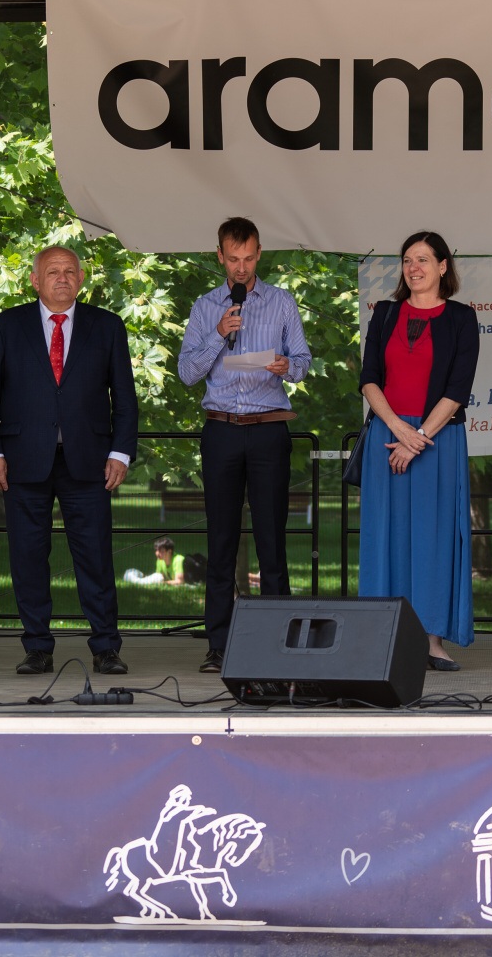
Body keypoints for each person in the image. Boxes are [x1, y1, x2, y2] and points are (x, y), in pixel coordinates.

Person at [0, 246, 138, 676]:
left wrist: (120, 451)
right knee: (28, 557)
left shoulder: (108, 326)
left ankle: (106, 647)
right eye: (52, 272)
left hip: (90, 462)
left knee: (96, 558)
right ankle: (37, 648)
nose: (62, 278)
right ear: (35, 280)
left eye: (69, 271)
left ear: (81, 279)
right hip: (22, 461)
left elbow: (125, 398)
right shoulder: (5, 326)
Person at [178, 217, 311, 674]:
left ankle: (279, 644)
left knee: (272, 539)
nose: (241, 267)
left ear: (259, 254)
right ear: (220, 256)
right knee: (221, 540)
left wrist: (287, 366)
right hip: (221, 430)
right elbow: (187, 373)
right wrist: (219, 333)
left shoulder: (281, 302)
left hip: (269, 429)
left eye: (249, 258)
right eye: (233, 259)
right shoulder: (204, 307)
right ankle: (218, 644)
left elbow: (303, 360)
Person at [357, 231, 479, 671]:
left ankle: (431, 641)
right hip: (387, 437)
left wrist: (418, 438)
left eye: (423, 259)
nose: (414, 267)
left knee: (433, 540)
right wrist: (397, 428)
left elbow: (458, 389)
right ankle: (381, 638)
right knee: (384, 537)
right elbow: (369, 378)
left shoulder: (462, 318)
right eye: (408, 259)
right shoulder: (385, 313)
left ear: (443, 266)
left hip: (437, 442)